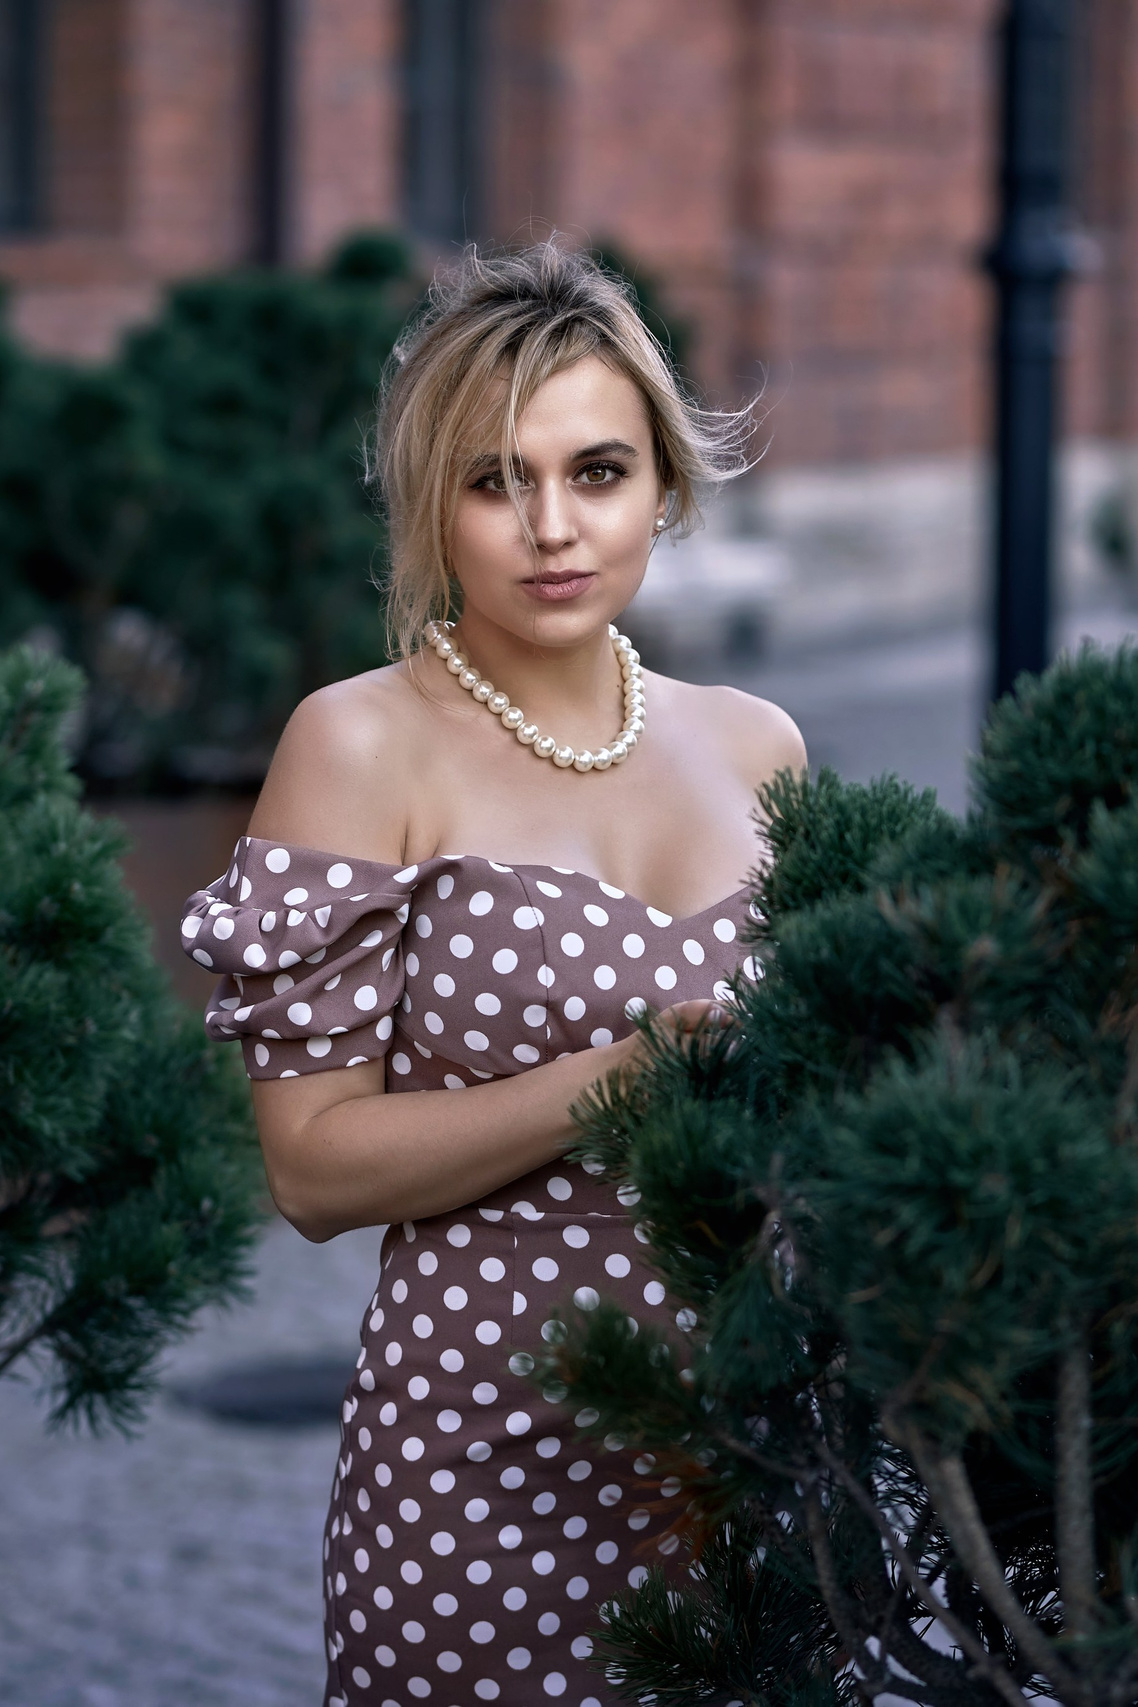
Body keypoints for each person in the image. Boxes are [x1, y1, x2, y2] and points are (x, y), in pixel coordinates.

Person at [181, 241, 806, 1707]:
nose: (549, 528)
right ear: (431, 508)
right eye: (490, 480)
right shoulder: (358, 744)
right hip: (485, 1462)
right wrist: (617, 1078)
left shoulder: (758, 742)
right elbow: (313, 1173)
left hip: (750, 1439)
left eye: (595, 471)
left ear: (665, 484)